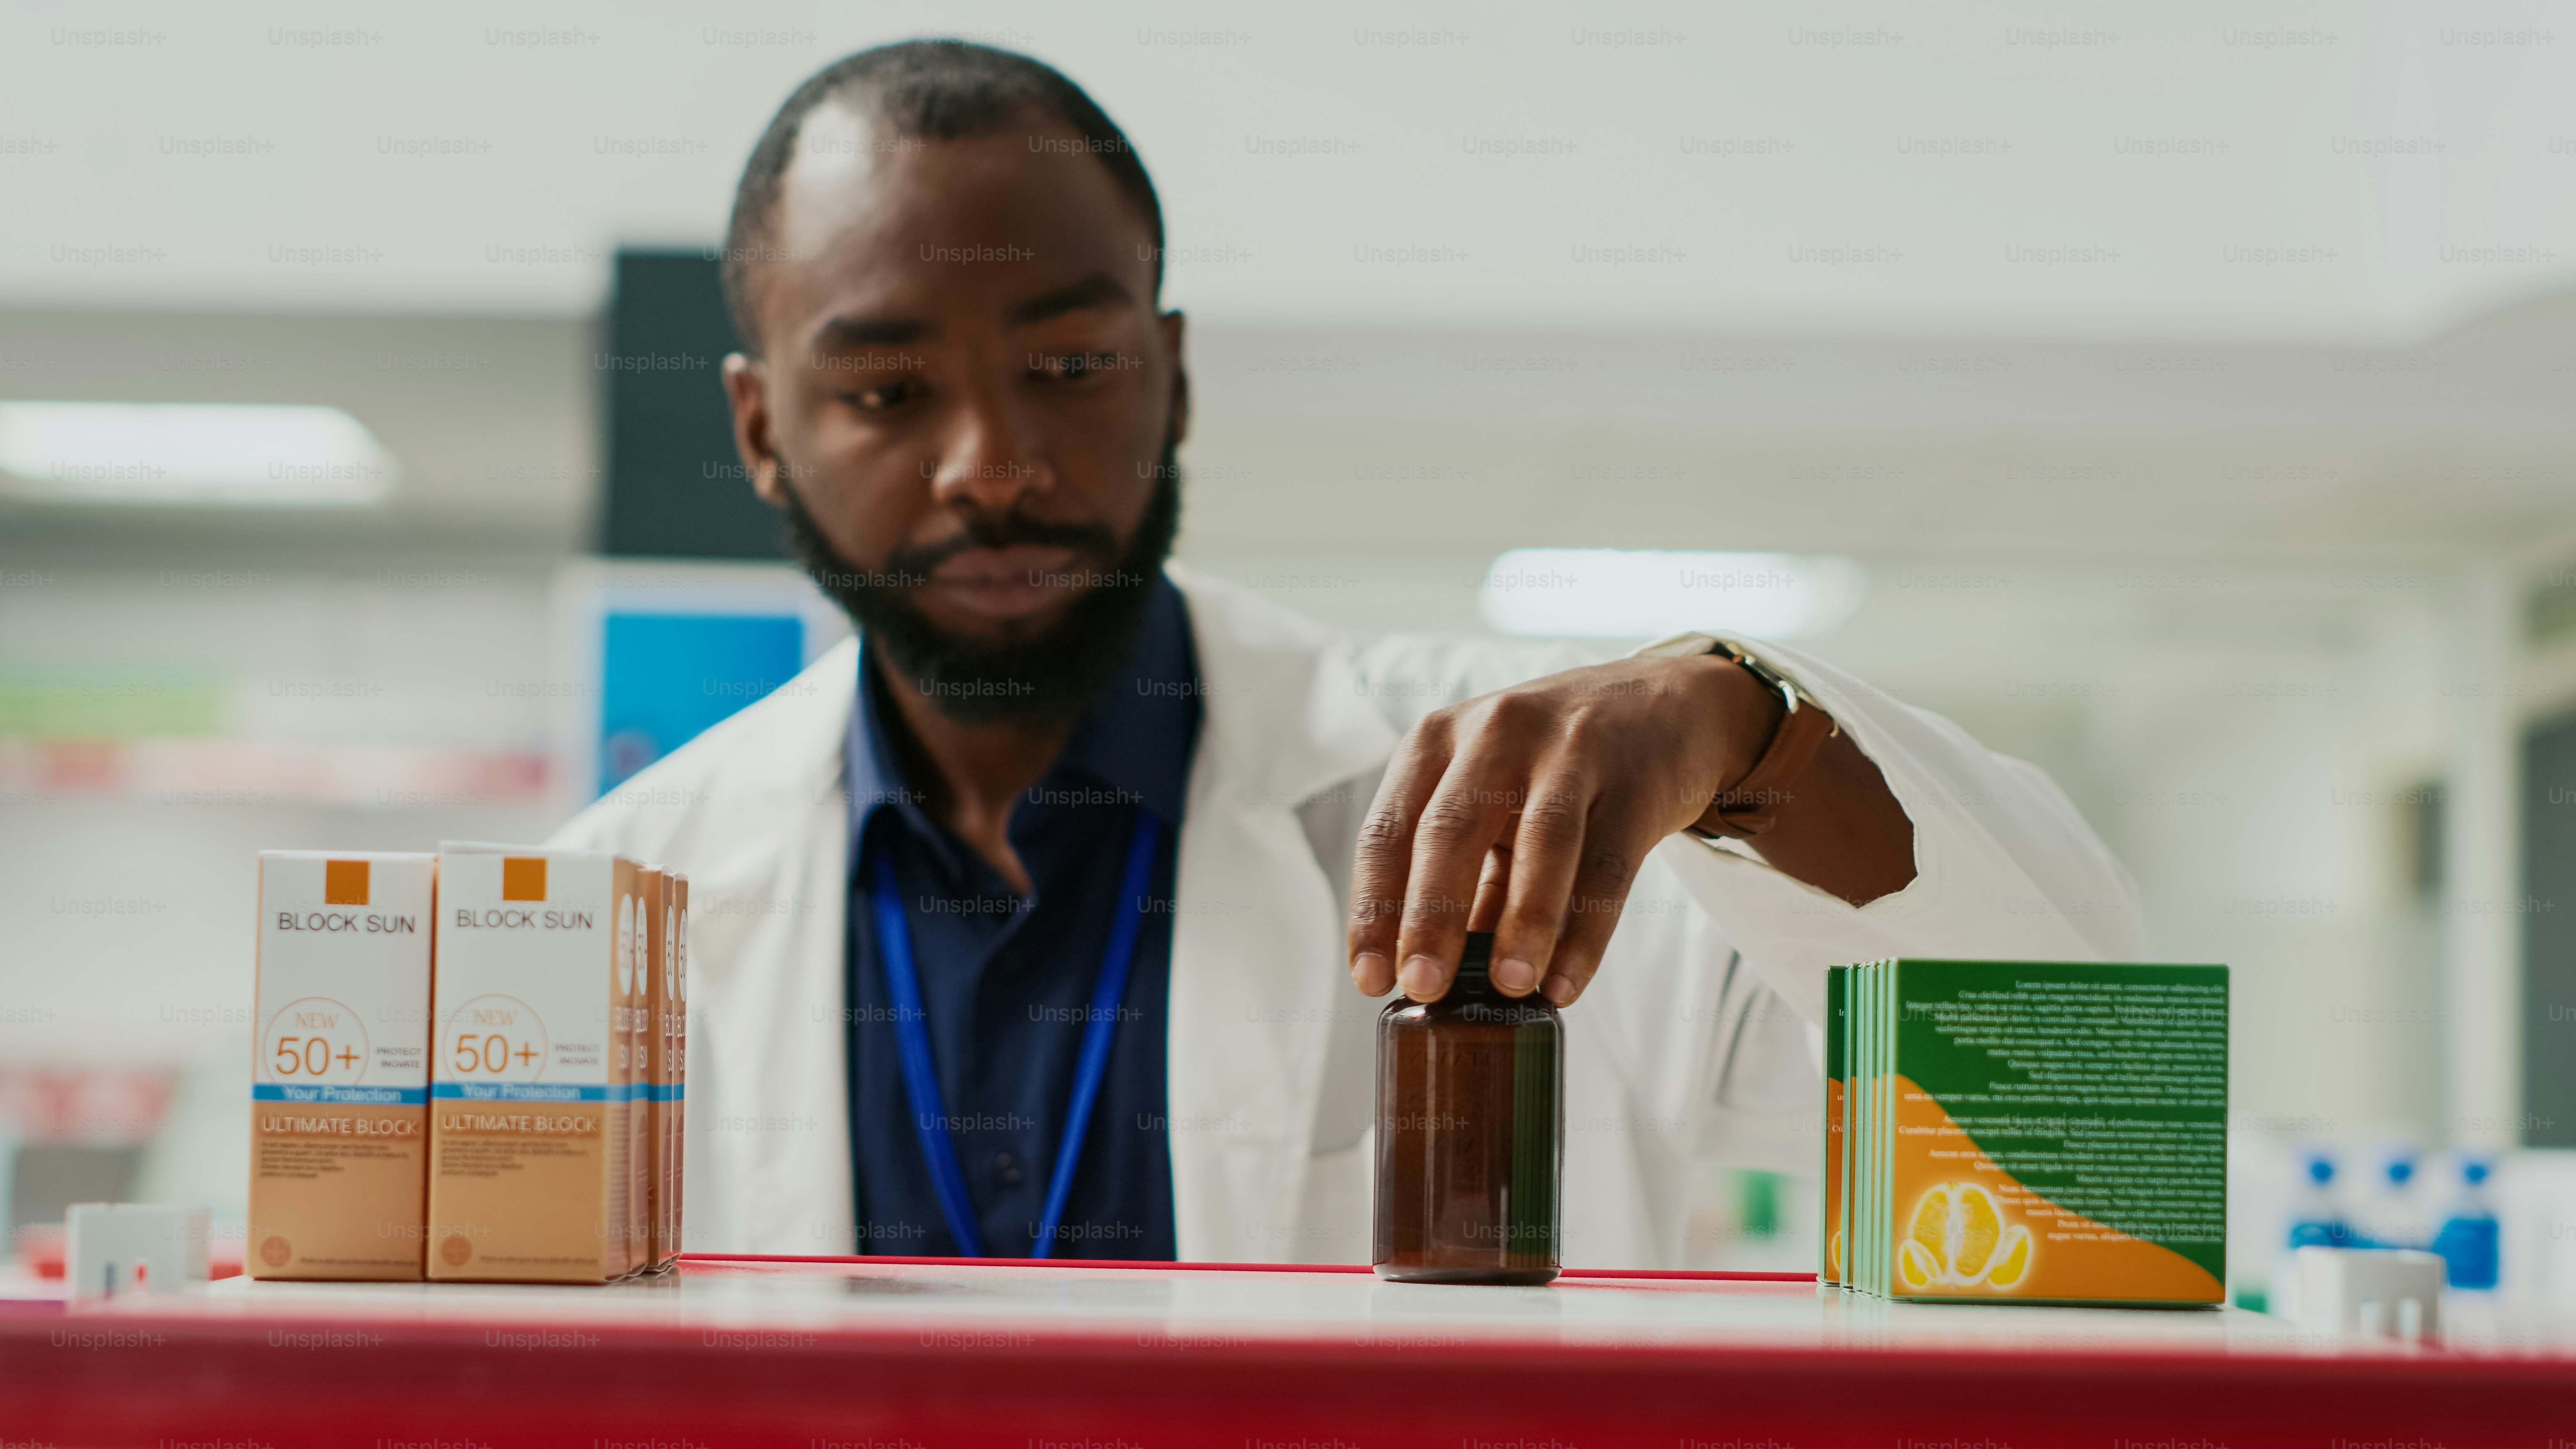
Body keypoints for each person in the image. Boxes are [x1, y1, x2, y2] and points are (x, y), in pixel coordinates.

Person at [550, 40, 2142, 1267]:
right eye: (891, 390)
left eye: (1074, 363)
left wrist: (1751, 735)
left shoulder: (1534, 816)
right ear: (762, 429)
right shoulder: (621, 903)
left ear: (1170, 378)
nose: (994, 465)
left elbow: (2095, 1134)